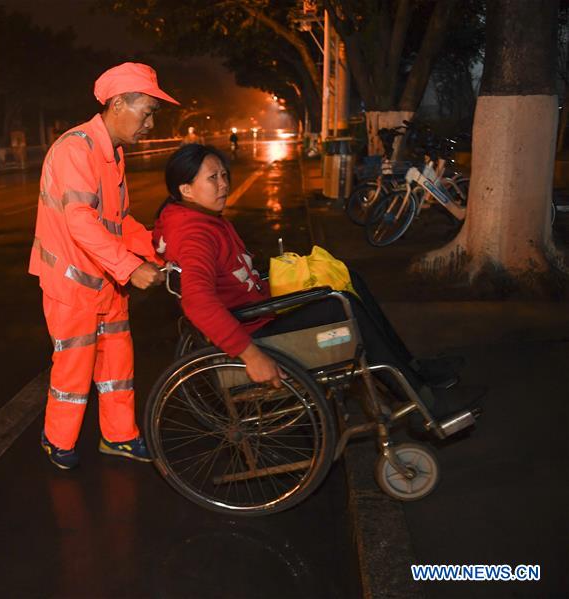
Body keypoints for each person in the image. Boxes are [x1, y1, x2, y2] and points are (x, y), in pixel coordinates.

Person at [152, 144, 468, 415]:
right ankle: (416, 398)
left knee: (348, 278)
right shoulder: (195, 234)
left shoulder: (196, 216)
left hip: (259, 309)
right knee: (340, 305)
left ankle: (410, 368)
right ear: (185, 189)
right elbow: (197, 300)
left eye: (223, 175)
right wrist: (250, 354)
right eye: (212, 178)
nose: (223, 184)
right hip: (254, 330)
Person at [29, 62, 177, 470]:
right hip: (73, 283)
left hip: (107, 280)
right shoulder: (76, 148)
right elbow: (80, 220)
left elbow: (119, 221)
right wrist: (130, 267)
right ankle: (56, 440)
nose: (149, 123)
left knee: (117, 363)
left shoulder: (111, 153)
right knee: (74, 366)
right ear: (117, 104)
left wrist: (159, 250)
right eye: (145, 112)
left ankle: (119, 436)